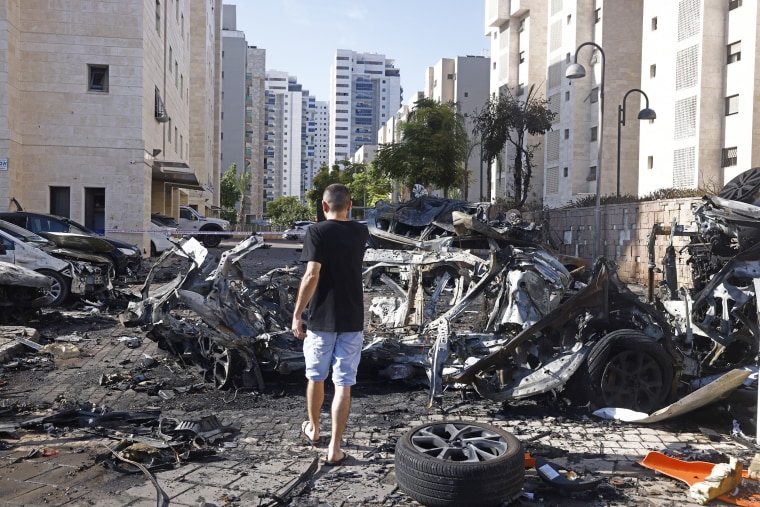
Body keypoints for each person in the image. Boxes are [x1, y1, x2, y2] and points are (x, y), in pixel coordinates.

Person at [291, 184, 369, 465]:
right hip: (352, 318)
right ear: (350, 205)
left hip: (321, 319)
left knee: (315, 376)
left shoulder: (316, 231)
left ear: (323, 207)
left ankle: (313, 429)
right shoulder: (362, 232)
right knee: (344, 383)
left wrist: (297, 312)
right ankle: (335, 448)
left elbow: (312, 274)